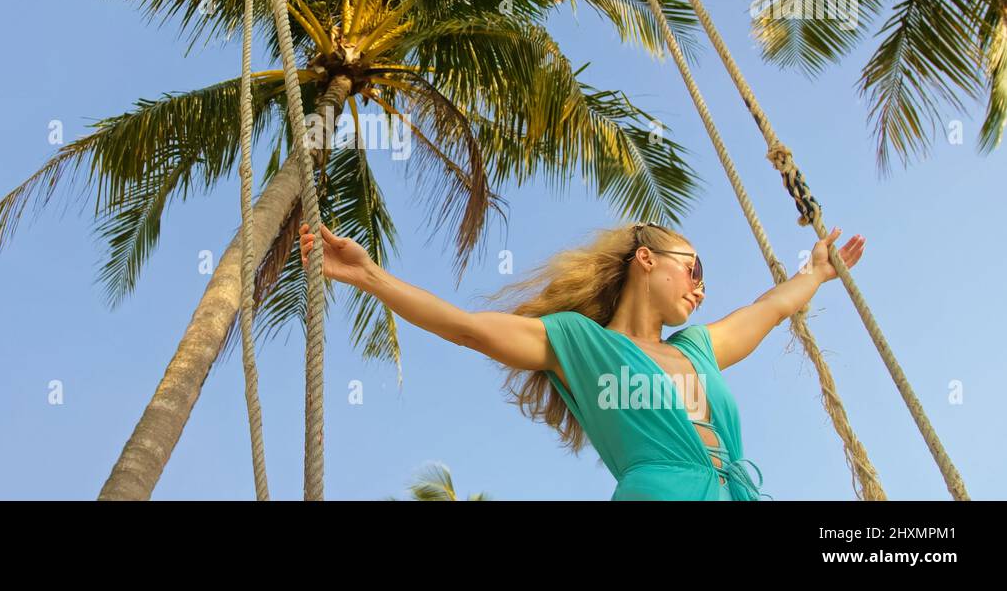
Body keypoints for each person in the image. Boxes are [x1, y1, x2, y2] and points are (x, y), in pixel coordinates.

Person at [299, 220, 865, 500]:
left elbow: (767, 310)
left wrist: (814, 272)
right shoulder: (577, 343)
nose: (701, 289)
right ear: (646, 259)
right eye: (694, 270)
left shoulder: (696, 349)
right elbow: (467, 328)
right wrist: (368, 275)